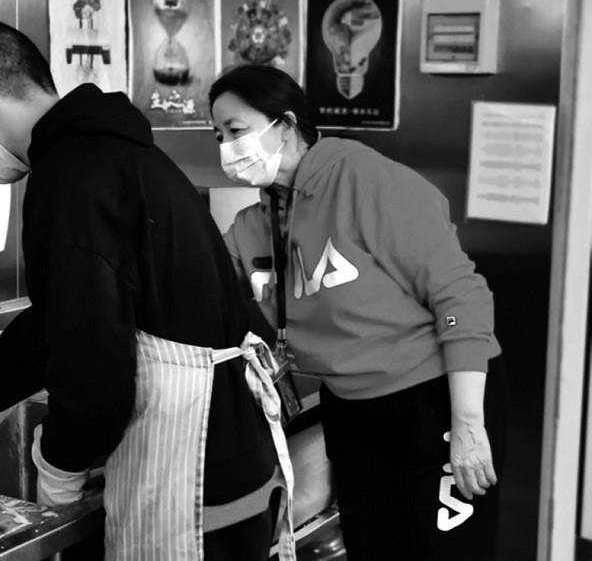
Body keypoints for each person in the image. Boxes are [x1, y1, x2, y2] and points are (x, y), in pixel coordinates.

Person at [0, 20, 297, 561]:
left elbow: (93, 373)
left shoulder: (73, 178)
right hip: (232, 470)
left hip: (194, 492)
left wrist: (57, 469)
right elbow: (54, 325)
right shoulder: (111, 155)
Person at [208, 64, 507, 561]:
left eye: (236, 129)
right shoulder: (256, 223)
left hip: (433, 399)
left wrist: (468, 426)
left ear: (285, 125)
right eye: (218, 134)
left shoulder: (365, 181)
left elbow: (461, 297)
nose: (226, 147)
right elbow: (200, 281)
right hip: (351, 411)